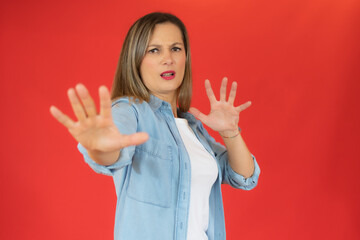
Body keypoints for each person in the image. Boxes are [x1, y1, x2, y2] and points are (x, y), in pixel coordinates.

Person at [50, 12, 260, 240]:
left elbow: (244, 176)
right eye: (154, 50)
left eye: (176, 49)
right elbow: (112, 151)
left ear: (185, 58)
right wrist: (100, 146)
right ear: (136, 60)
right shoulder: (128, 110)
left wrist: (230, 133)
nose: (167, 58)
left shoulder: (193, 128)